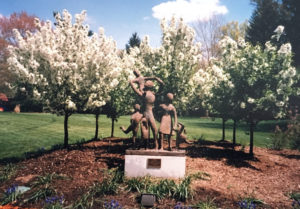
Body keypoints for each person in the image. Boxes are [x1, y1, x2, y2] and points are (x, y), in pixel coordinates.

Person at [130, 76, 164, 150]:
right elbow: (162, 85)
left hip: (147, 114)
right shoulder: (152, 94)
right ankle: (152, 145)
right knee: (152, 130)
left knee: (148, 130)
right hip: (148, 114)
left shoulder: (144, 94)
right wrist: (156, 78)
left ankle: (150, 145)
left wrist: (134, 81)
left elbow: (132, 85)